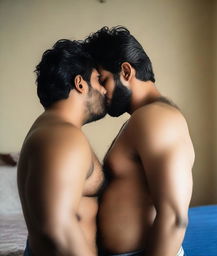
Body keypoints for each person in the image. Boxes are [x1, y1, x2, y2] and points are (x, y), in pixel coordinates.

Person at [84, 26, 195, 256]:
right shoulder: (143, 118)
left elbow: (174, 218)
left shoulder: (157, 119)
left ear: (126, 71)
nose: (101, 92)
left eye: (103, 80)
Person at [17, 39, 107, 256]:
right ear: (80, 83)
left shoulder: (48, 128)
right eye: (98, 80)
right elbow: (58, 227)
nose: (104, 90)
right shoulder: (64, 138)